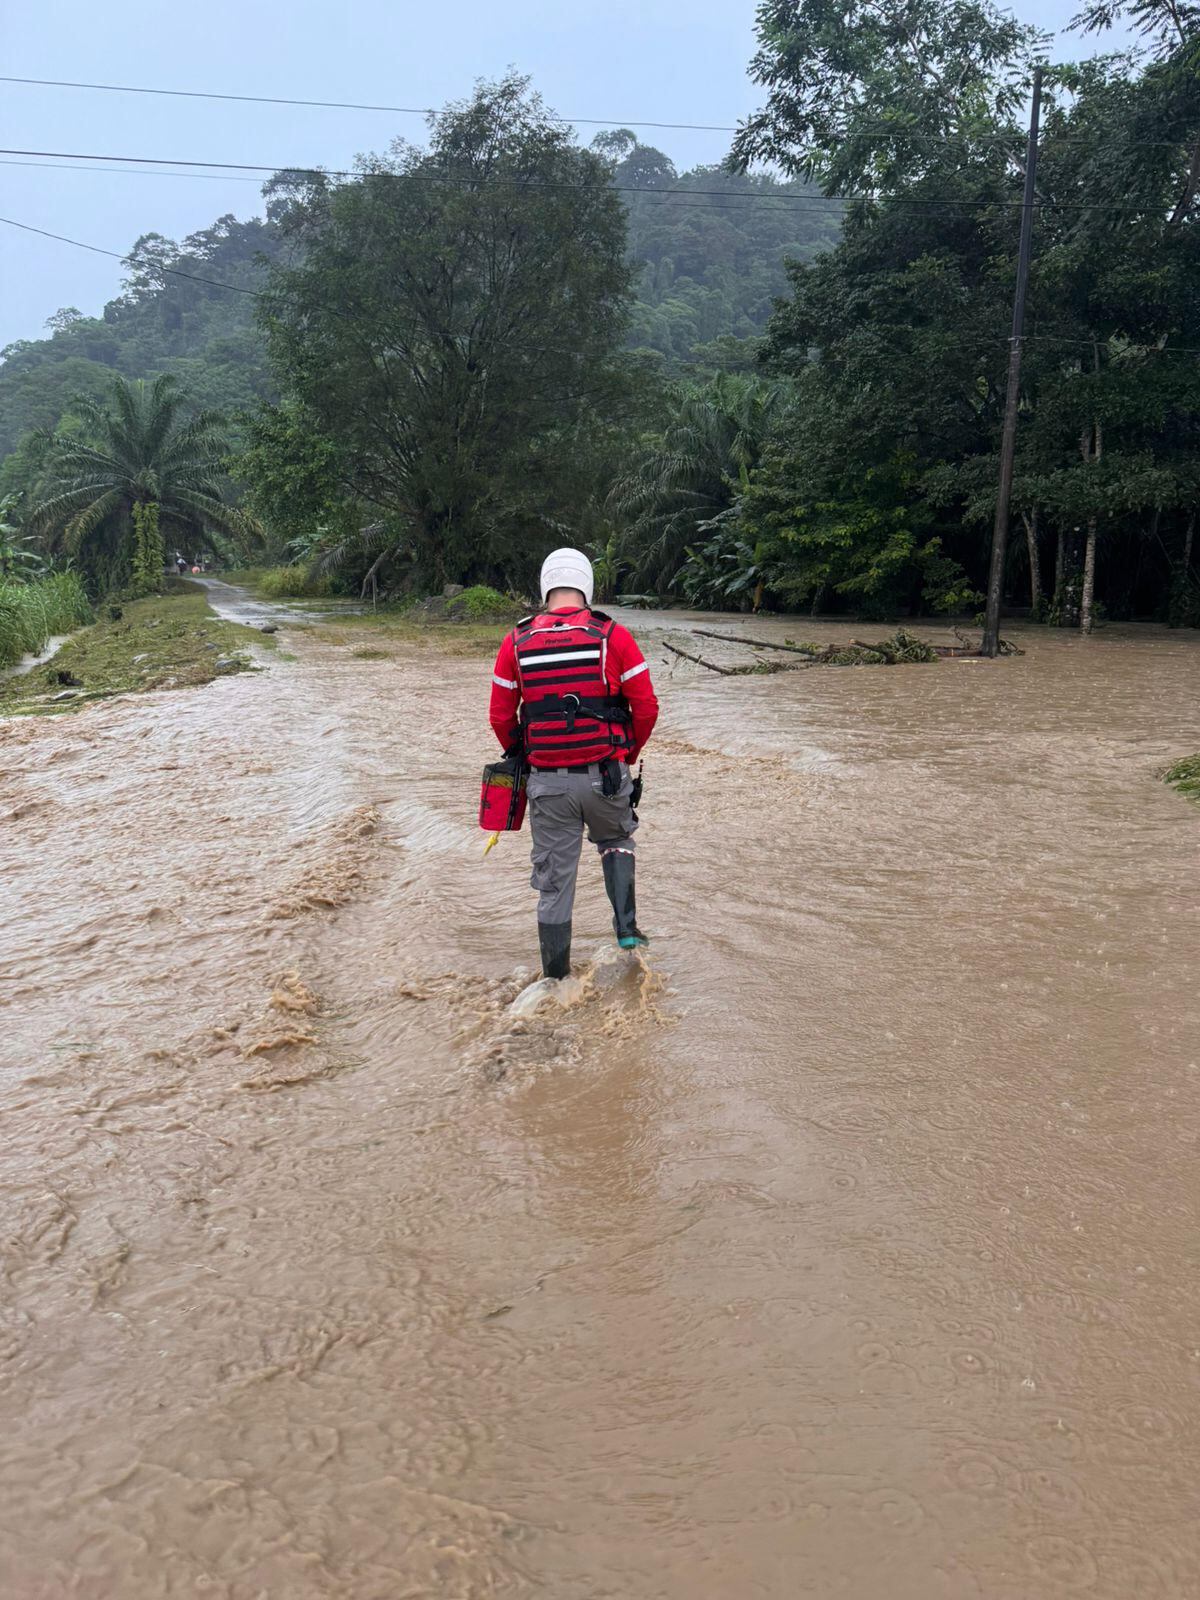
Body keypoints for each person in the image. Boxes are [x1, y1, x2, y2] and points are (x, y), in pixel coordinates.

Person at [489, 547, 659, 980]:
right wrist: (627, 754)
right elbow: (646, 707)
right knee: (617, 840)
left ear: (545, 586)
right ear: (587, 585)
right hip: (607, 776)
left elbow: (500, 717)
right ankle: (627, 937)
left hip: (548, 785)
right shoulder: (612, 635)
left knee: (554, 883)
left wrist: (525, 756)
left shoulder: (516, 640)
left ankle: (556, 981)